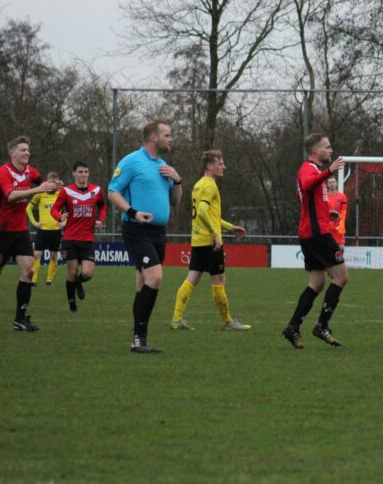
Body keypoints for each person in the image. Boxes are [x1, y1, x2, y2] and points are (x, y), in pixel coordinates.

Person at [0, 136, 62, 332]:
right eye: (22, 150)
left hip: (20, 231)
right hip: (1, 231)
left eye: (28, 150)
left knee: (29, 270)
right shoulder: (3, 172)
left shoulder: (30, 171)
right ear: (12, 153)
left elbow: (44, 183)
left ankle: (20, 319)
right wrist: (38, 189)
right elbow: (11, 196)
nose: (26, 153)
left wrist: (55, 186)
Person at [107, 120, 183, 354]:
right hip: (136, 230)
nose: (171, 139)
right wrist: (133, 212)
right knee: (155, 277)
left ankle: (139, 340)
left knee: (143, 284)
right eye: (167, 135)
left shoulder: (164, 166)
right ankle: (139, 339)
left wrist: (177, 180)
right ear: (153, 137)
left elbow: (175, 201)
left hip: (159, 233)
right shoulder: (132, 161)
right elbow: (112, 191)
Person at [171, 150, 250, 331]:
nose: (224, 166)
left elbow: (209, 215)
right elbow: (203, 212)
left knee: (191, 279)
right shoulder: (210, 186)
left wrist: (230, 227)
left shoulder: (199, 185)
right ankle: (227, 322)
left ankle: (176, 319)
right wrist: (215, 234)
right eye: (220, 163)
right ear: (209, 166)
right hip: (210, 243)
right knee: (219, 280)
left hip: (198, 240)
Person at [282, 133, 348, 349]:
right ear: (316, 151)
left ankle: (292, 327)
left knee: (318, 283)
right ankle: (322, 325)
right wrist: (330, 171)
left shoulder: (315, 171)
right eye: (327, 147)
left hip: (313, 231)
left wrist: (328, 214)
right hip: (317, 234)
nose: (331, 150)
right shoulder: (308, 169)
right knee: (341, 277)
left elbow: (309, 200)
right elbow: (308, 184)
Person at [50, 162, 106, 314]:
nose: (83, 175)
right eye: (80, 172)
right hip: (70, 238)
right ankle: (72, 305)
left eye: (86, 172)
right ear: (74, 174)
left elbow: (102, 206)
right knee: (72, 271)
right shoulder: (66, 191)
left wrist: (101, 219)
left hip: (87, 239)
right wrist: (59, 216)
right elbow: (55, 209)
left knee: (87, 274)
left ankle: (77, 284)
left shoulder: (96, 190)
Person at [26, 171, 66, 287]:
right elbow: (28, 209)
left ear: (58, 182)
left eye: (55, 182)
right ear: (47, 182)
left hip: (56, 230)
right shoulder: (40, 194)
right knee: (37, 254)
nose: (53, 184)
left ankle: (49, 280)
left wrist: (64, 222)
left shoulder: (60, 194)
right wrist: (34, 223)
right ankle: (34, 280)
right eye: (51, 182)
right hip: (42, 230)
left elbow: (69, 209)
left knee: (54, 255)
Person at [327, 175, 348, 248]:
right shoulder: (324, 197)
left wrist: (341, 224)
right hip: (327, 228)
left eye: (333, 182)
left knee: (341, 249)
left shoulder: (342, 197)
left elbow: (344, 212)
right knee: (328, 251)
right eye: (330, 182)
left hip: (338, 228)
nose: (331, 184)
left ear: (336, 184)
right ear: (327, 185)